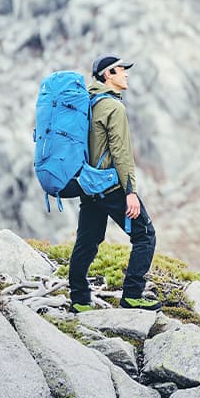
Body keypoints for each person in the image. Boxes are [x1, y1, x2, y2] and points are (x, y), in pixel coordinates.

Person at [68, 54, 161, 312]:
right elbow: (121, 152)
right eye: (121, 70)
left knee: (87, 241)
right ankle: (132, 295)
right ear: (108, 74)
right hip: (110, 186)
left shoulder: (89, 101)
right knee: (145, 235)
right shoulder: (113, 107)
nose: (126, 74)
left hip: (89, 185)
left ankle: (79, 300)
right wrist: (130, 192)